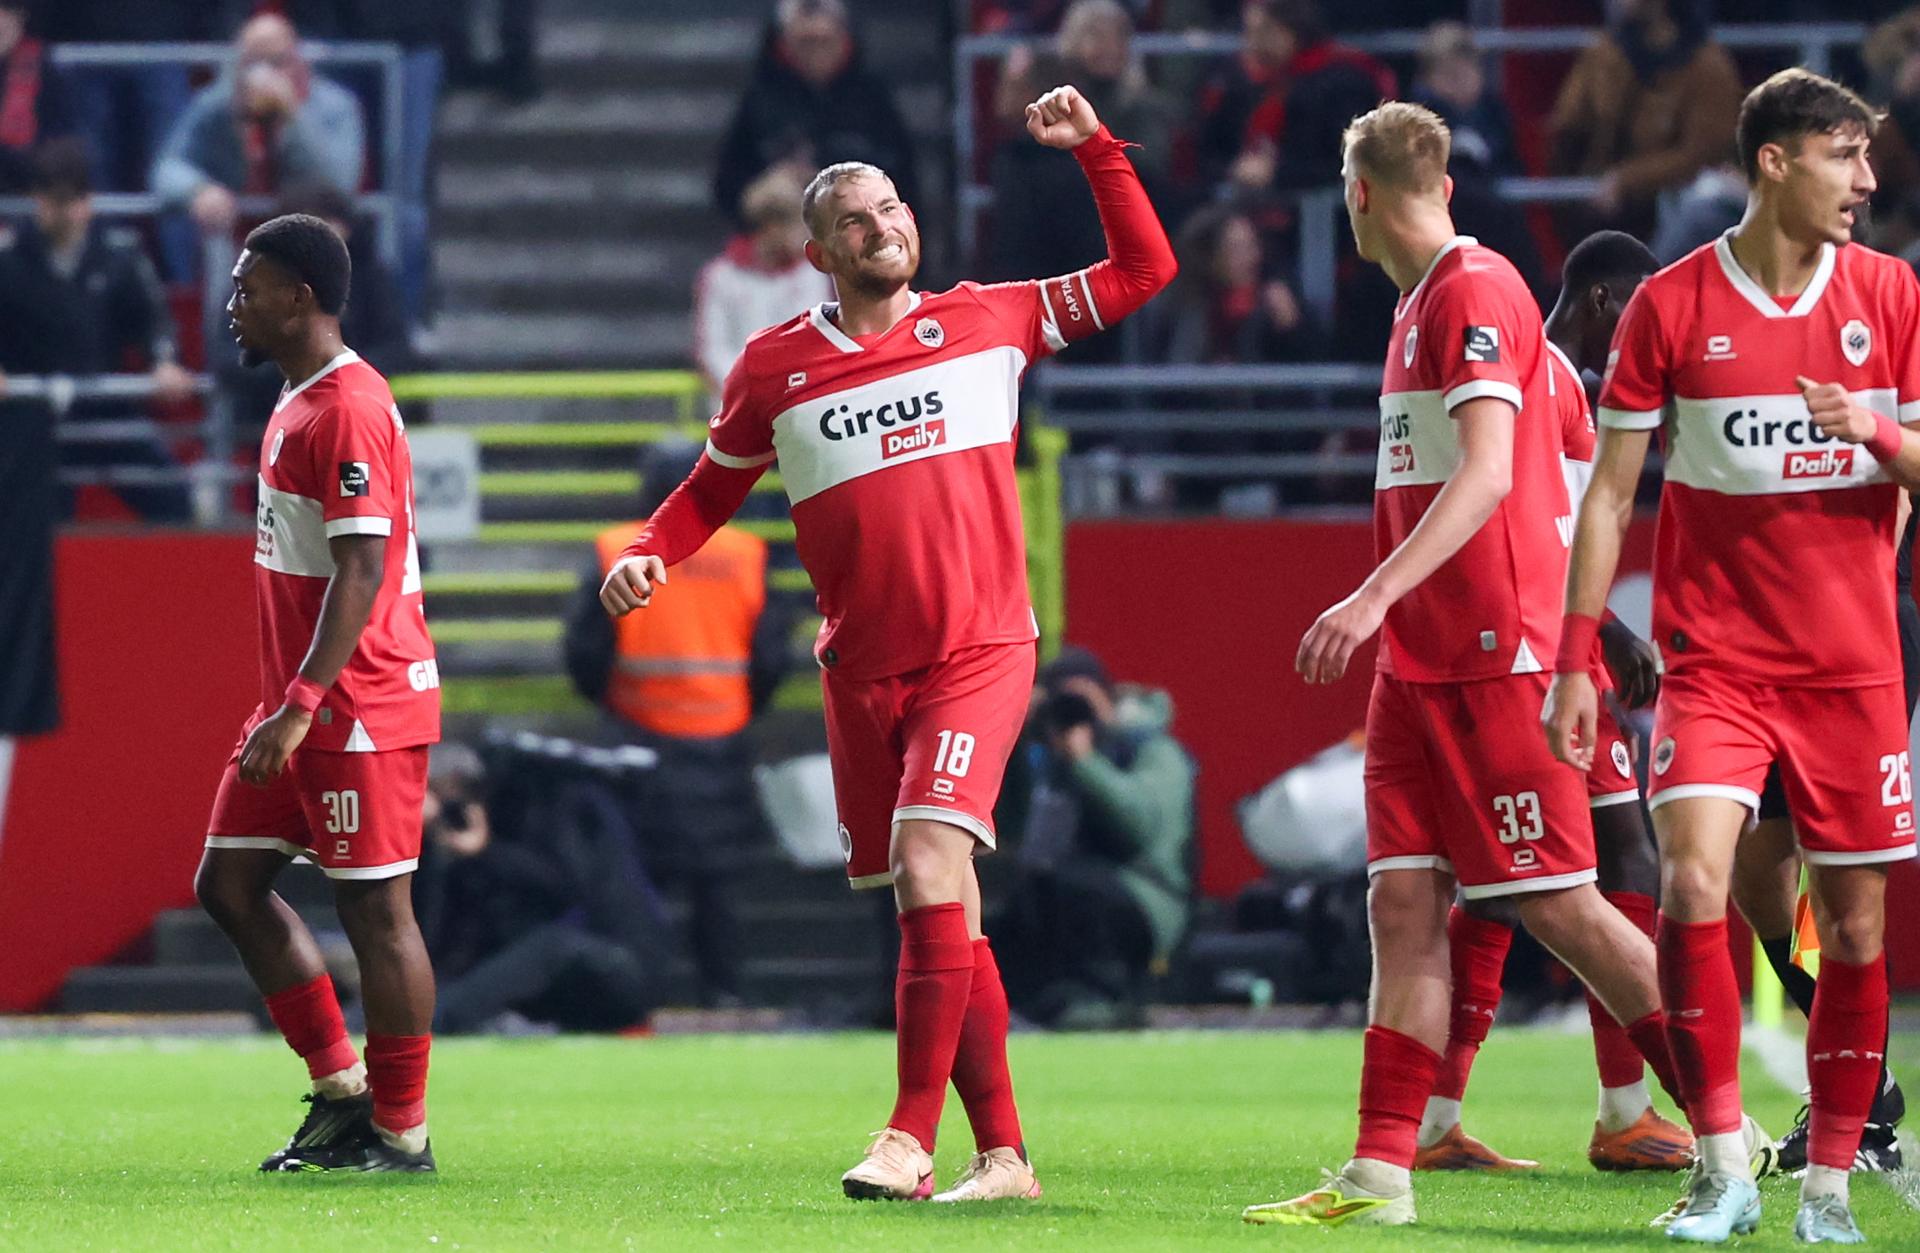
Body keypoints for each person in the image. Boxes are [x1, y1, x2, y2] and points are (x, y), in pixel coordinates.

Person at [599, 84, 1175, 1203]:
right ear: (819, 251)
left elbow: (1144, 271)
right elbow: (706, 492)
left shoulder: (987, 319)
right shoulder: (773, 368)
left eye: (896, 208)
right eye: (859, 219)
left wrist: (1098, 150)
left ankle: (907, 1136)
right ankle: (1005, 1156)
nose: (886, 227)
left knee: (926, 861)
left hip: (981, 646)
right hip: (863, 669)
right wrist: (650, 554)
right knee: (939, 895)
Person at [1242, 103, 1689, 1230]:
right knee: (1402, 903)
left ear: (1357, 192)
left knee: (1564, 908)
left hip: (1495, 655)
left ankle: (1728, 1129)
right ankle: (1380, 1173)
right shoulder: (1416, 305)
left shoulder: (1475, 289)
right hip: (1421, 663)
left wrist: (1369, 593)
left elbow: (1490, 475)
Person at [1547, 69, 1920, 1243]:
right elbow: (1608, 498)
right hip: (1714, 662)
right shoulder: (1668, 305)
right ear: (1775, 160)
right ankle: (1722, 1168)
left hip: (1853, 671)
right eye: (1842, 156)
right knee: (1694, 883)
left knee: (1855, 933)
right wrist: (1574, 657)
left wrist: (1876, 431)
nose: (1866, 182)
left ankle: (1827, 1192)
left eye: (1867, 159)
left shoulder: (1891, 295)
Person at [1412, 230, 1693, 1177]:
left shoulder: (1549, 374)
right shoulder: (1550, 376)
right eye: (1645, 308)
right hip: (1533, 656)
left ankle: (1442, 1117)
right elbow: (1545, 529)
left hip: (1535, 650)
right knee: (1587, 866)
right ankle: (1630, 1109)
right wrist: (1606, 632)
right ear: (1614, 302)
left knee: (1509, 886)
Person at [191, 213, 440, 1174]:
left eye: (249, 289)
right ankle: (342, 1091)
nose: (232, 306)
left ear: (300, 297)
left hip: (355, 702)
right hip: (302, 703)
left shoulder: (348, 406)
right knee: (228, 883)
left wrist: (300, 701)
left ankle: (402, 1131)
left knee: (379, 915)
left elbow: (363, 567)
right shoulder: (299, 397)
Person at [564, 440, 797, 1007]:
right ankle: (724, 992)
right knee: (718, 881)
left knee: (638, 875)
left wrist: (615, 704)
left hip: (639, 737)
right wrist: (740, 706)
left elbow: (584, 649)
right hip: (723, 740)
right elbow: (771, 653)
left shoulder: (614, 549)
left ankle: (642, 993)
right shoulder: (747, 553)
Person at [990, 646, 1194, 1026]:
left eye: (1081, 700)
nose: (1073, 715)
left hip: (1146, 895)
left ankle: (1104, 1004)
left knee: (1071, 888)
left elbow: (1141, 828)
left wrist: (1086, 761)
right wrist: (1018, 734)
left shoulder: (1149, 748)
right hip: (1068, 891)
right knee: (1025, 897)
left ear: (1107, 696)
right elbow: (1012, 834)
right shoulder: (1047, 757)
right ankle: (1024, 1005)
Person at [0, 139, 196, 521]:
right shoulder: (10, 261)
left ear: (87, 201)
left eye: (71, 199)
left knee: (174, 497)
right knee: (29, 516)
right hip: (34, 413)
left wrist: (163, 361)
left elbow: (152, 318)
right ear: (36, 200)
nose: (61, 211)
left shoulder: (118, 254)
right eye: (51, 199)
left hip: (106, 405)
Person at [712, 0, 917, 228]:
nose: (816, 54)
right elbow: (728, 185)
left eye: (824, 42)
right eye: (806, 42)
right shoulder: (760, 100)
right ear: (785, 43)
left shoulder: (872, 100)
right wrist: (766, 191)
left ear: (843, 39)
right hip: (780, 242)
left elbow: (902, 181)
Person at [1547, 0, 1742, 239]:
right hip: (1599, 201)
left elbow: (1701, 155)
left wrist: (1627, 179)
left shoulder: (1707, 66)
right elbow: (1568, 125)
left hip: (1673, 203)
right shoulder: (1603, 54)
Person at [1193, 0, 1395, 196]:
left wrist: (1277, 173)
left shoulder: (1341, 82)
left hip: (1325, 213)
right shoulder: (1248, 82)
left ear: (1288, 30)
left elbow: (1343, 161)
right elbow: (1211, 149)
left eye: (1261, 33)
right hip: (1257, 207)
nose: (1252, 46)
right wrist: (1237, 168)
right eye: (1248, 34)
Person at [694, 166, 834, 396]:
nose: (807, 233)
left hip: (797, 404)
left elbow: (817, 338)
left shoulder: (813, 275)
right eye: (799, 224)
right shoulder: (721, 278)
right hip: (738, 411)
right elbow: (712, 350)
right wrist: (752, 392)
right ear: (772, 226)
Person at [0, 1, 75, 195]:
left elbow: (59, 132)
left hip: (26, 177)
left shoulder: (44, 69)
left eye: (7, 15)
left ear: (20, 20)